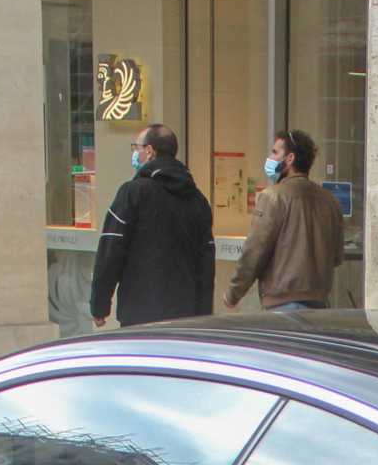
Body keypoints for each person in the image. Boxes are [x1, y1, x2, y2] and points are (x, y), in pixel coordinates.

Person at [90, 123, 214, 328]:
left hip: (140, 313)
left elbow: (111, 250)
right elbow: (206, 263)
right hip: (186, 315)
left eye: (136, 148)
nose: (135, 154)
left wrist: (99, 305)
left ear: (149, 151)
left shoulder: (133, 193)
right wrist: (203, 314)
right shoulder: (197, 200)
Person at [224, 128, 343, 314]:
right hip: (319, 301)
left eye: (275, 152)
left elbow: (255, 251)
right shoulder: (330, 201)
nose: (269, 157)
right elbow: (337, 256)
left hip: (282, 301)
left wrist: (234, 293)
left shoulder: (272, 197)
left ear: (290, 159)